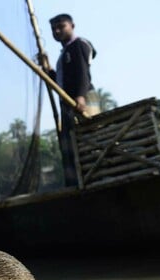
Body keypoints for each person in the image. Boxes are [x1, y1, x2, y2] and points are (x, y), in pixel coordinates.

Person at [42, 13, 100, 187]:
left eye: (61, 26)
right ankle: (77, 183)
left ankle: (94, 178)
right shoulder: (65, 53)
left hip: (81, 100)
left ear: (72, 26)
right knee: (71, 145)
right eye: (54, 29)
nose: (57, 31)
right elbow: (60, 83)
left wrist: (80, 96)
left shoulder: (78, 45)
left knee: (88, 140)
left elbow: (83, 74)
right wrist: (47, 70)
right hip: (68, 103)